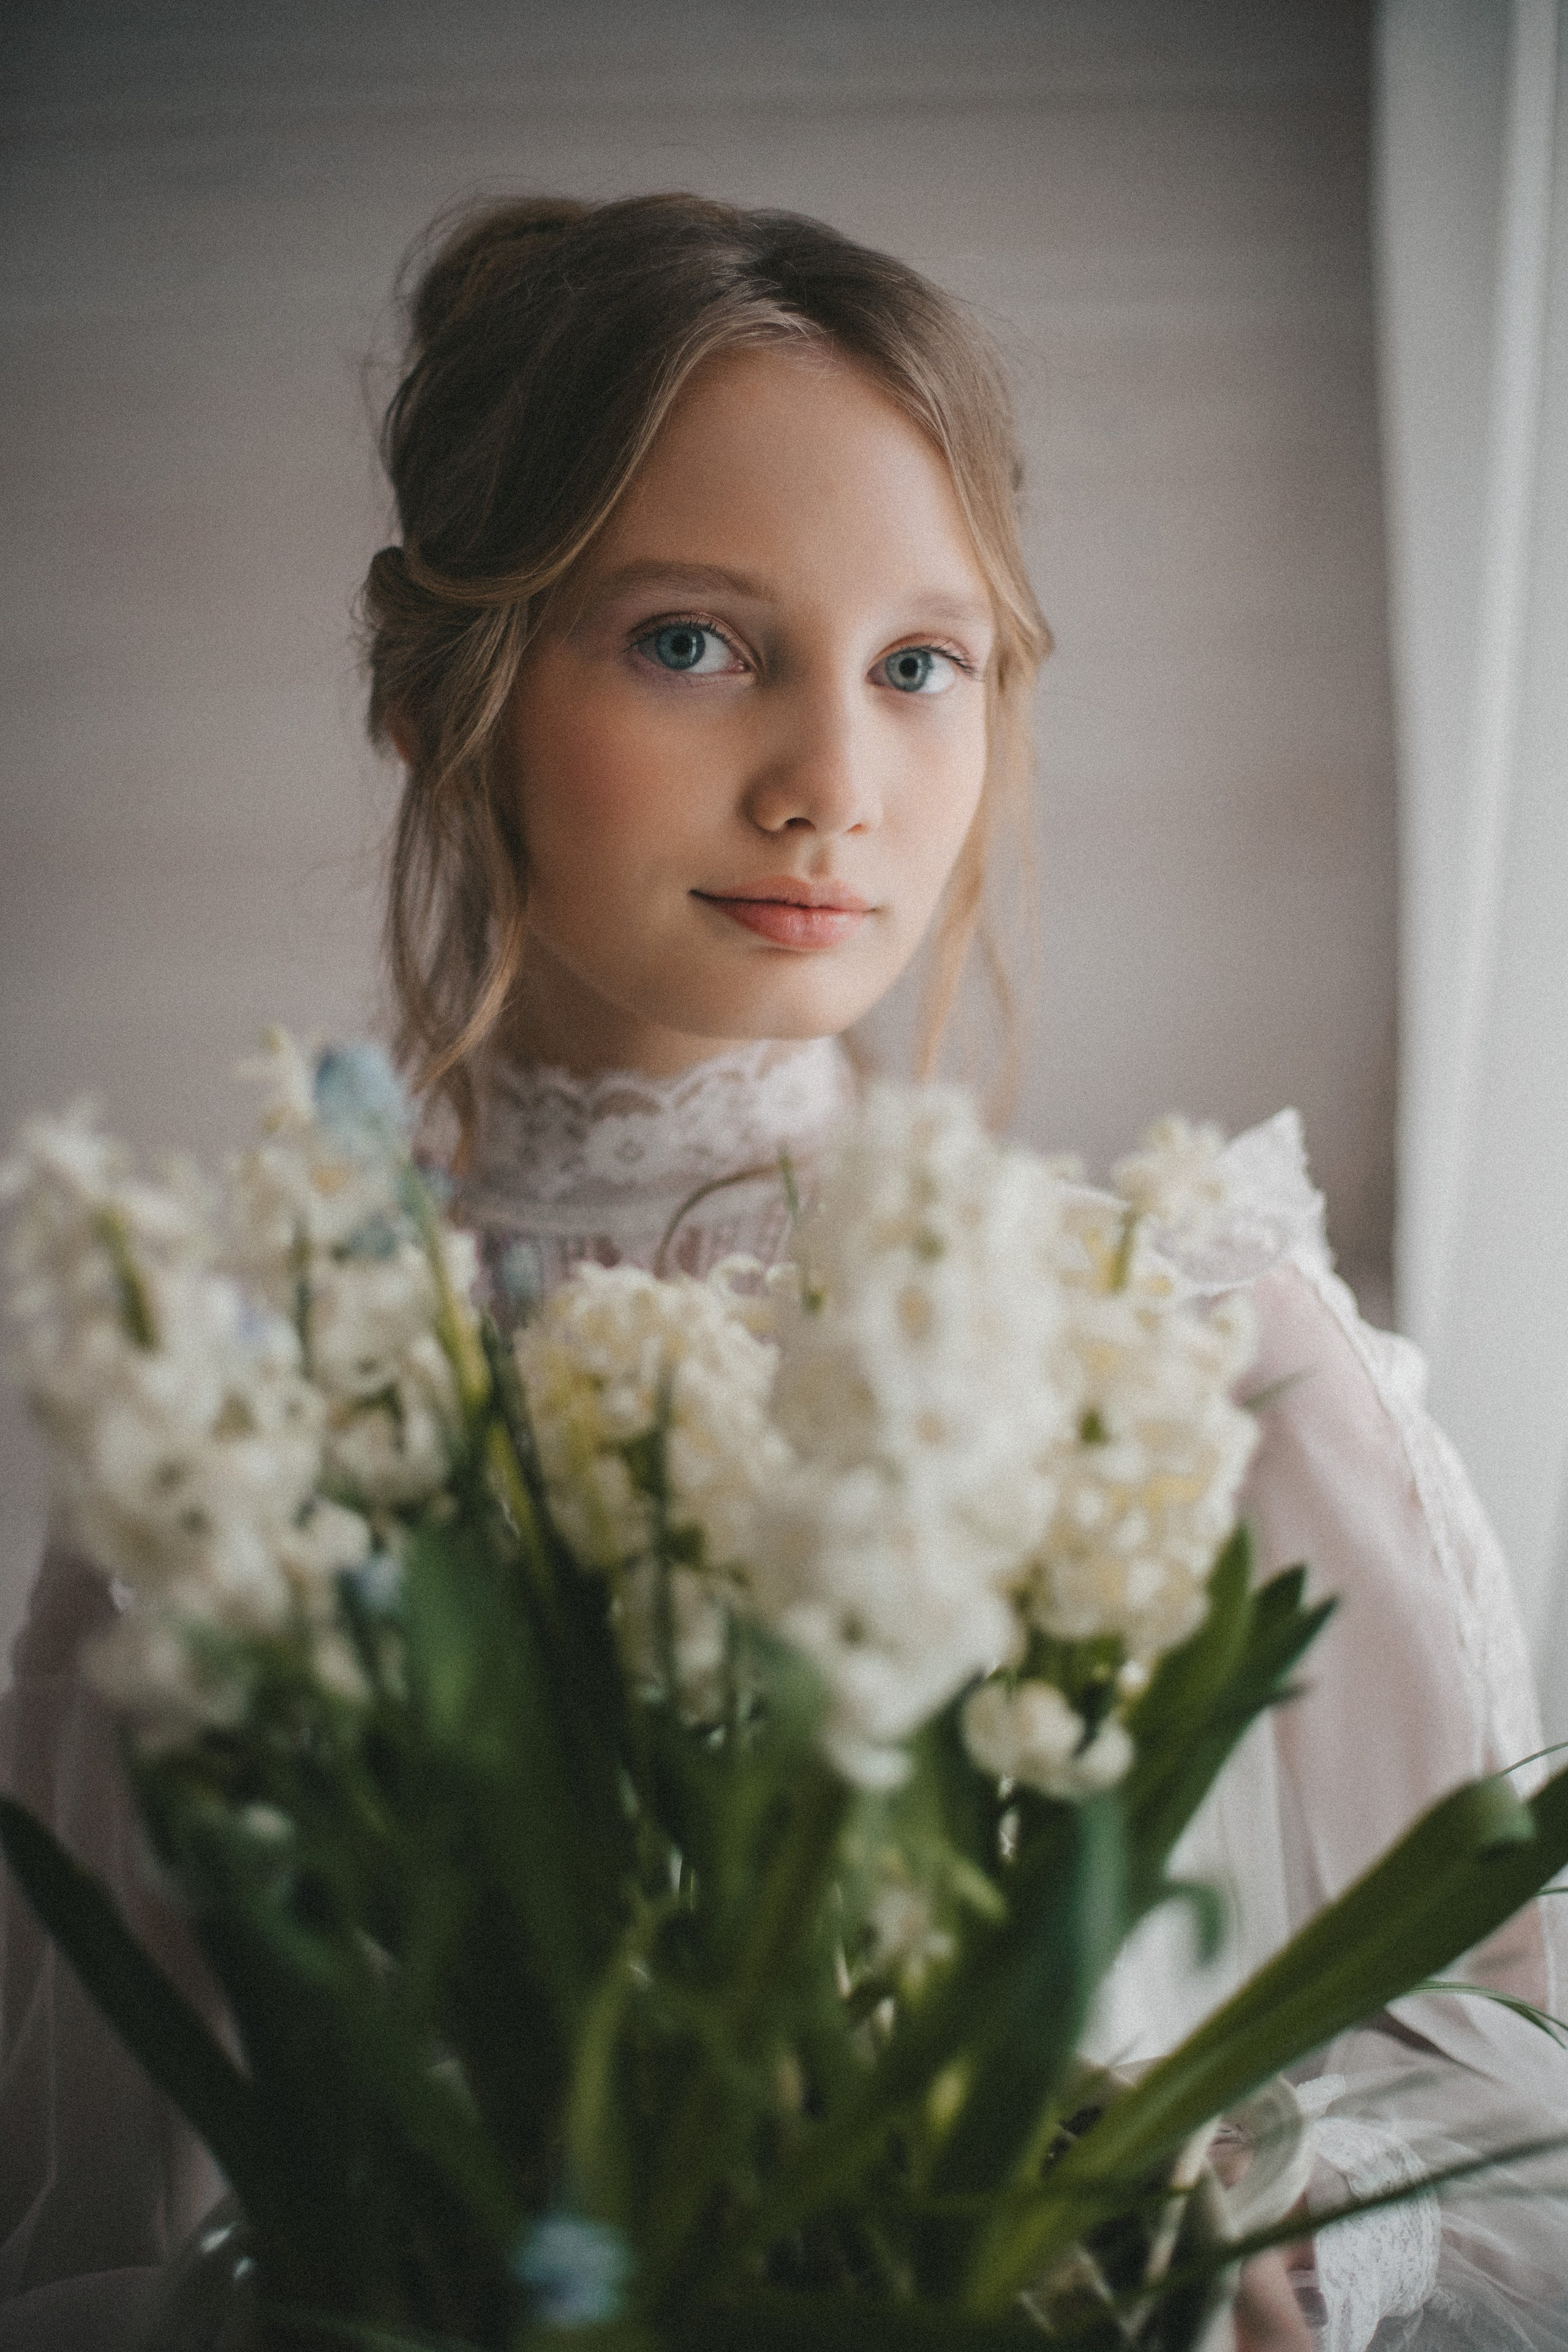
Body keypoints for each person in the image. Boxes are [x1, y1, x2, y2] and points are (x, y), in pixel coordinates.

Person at [1, 192, 1564, 2352]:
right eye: (694, 642)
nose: (836, 786)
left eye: (922, 665)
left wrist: (1270, 2248)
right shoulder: (231, 1454)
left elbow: (1517, 2054)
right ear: (451, 685)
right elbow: (86, 2216)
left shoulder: (1186, 1338)